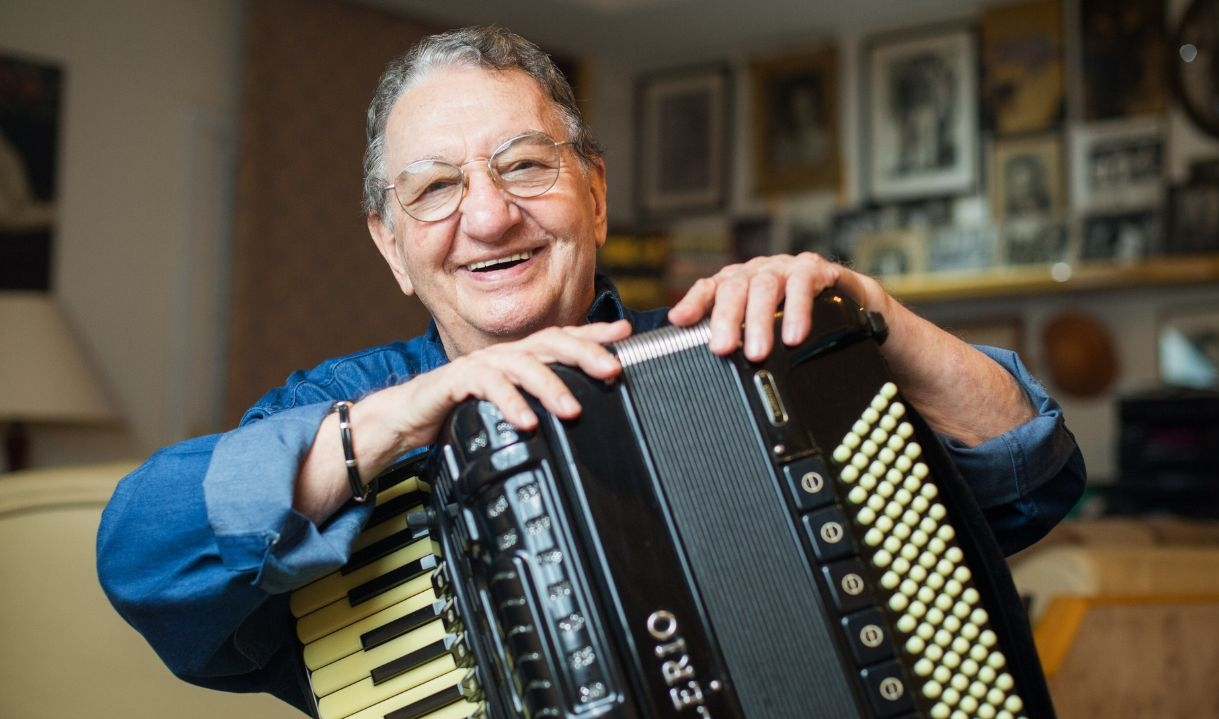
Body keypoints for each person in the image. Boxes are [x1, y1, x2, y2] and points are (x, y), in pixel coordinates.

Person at [96, 26, 1084, 716]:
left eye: (524, 165)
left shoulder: (738, 352)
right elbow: (142, 557)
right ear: (391, 246)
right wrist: (392, 424)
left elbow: (1028, 477)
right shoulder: (341, 415)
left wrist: (869, 318)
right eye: (435, 189)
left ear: (594, 195)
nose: (486, 217)